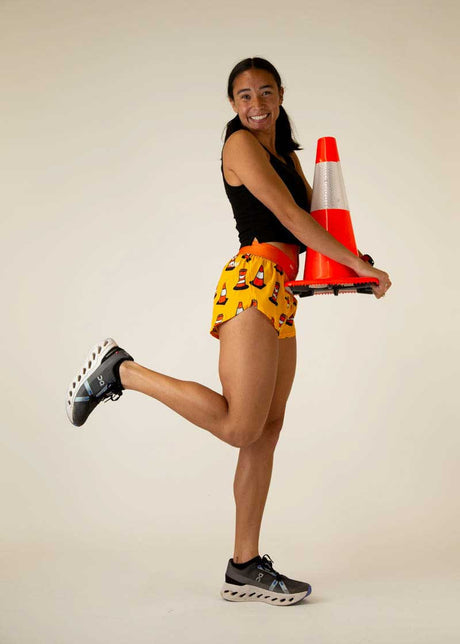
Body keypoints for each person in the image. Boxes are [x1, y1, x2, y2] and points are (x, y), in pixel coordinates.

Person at [65, 57, 392, 606]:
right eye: (244, 95)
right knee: (242, 427)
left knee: (267, 430)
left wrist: (354, 267)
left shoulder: (286, 154)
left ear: (281, 94)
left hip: (281, 290)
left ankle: (244, 567)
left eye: (265, 92)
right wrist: (356, 263)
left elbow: (314, 225)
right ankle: (122, 371)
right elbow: (290, 218)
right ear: (233, 104)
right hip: (252, 282)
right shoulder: (239, 145)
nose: (256, 104)